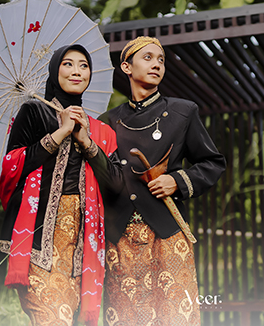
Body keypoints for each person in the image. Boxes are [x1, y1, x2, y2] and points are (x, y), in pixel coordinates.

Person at [99, 36, 226, 326]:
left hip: (167, 233)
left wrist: (177, 181)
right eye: (147, 58)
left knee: (175, 317)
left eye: (161, 60)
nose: (156, 64)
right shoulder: (107, 122)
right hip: (120, 239)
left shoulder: (183, 111)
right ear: (127, 67)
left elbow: (213, 163)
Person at [0, 44, 122, 326]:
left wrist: (86, 142)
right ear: (55, 70)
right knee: (52, 318)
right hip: (39, 238)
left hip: (81, 244)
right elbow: (12, 166)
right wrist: (61, 132)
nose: (77, 71)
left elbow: (116, 184)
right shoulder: (33, 112)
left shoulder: (99, 130)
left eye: (83, 65)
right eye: (68, 64)